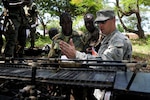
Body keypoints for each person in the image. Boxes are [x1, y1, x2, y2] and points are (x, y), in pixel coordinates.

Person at [59, 9, 132, 99]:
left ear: (113, 20)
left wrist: (76, 55)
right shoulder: (108, 38)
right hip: (104, 88)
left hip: (114, 91)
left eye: (103, 22)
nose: (100, 25)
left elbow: (105, 64)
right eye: (99, 22)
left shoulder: (118, 40)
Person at [48, 12, 86, 100]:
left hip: (79, 74)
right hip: (62, 74)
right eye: (64, 23)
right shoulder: (56, 39)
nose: (67, 25)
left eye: (69, 22)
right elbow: (51, 58)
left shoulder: (80, 36)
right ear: (60, 24)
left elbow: (87, 56)